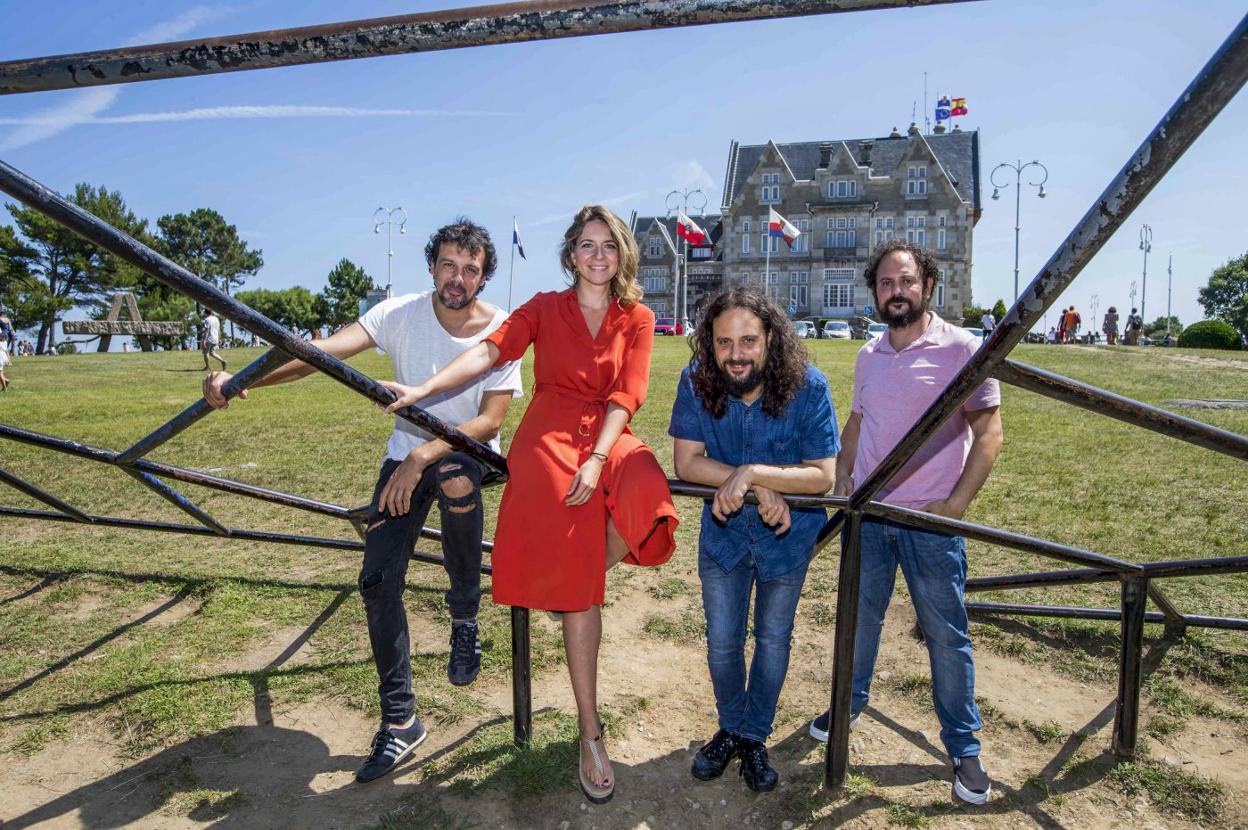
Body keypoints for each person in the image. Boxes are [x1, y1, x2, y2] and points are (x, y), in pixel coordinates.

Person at [203, 219, 522, 783]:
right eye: (449, 264)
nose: (458, 277)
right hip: (405, 451)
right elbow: (319, 353)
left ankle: (465, 616)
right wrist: (243, 378)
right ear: (432, 266)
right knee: (376, 582)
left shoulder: (499, 327)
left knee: (456, 480)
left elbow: (492, 419)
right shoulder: (399, 313)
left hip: (464, 452)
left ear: (483, 276)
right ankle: (400, 720)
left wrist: (421, 458)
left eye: (471, 269)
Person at [380, 205, 679, 804]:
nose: (598, 255)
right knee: (563, 528)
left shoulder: (638, 317)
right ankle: (590, 732)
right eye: (587, 245)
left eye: (609, 246)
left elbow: (629, 392)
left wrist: (598, 458)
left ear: (622, 255)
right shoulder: (545, 306)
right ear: (571, 254)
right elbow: (490, 351)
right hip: (549, 429)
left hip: (609, 431)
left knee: (649, 492)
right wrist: (425, 390)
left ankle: (573, 576)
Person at [807, 239, 1004, 806]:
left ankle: (963, 747)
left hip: (929, 522)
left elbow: (989, 434)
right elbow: (857, 422)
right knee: (857, 622)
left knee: (946, 635)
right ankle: (849, 705)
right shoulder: (868, 356)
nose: (897, 292)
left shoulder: (963, 349)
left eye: (907, 281)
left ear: (928, 286)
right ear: (875, 291)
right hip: (868, 518)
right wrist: (843, 480)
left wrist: (955, 507)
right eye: (887, 283)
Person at [669, 288, 839, 793]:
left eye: (748, 340)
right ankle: (730, 727)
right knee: (723, 642)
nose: (736, 354)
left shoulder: (809, 386)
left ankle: (753, 736)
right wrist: (757, 485)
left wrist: (753, 472)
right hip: (723, 538)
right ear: (709, 344)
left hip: (786, 542)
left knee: (772, 640)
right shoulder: (696, 381)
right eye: (723, 342)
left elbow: (822, 476)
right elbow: (687, 462)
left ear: (771, 339)